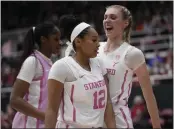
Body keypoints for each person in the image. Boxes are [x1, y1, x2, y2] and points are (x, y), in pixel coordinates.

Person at [45, 15, 116, 128]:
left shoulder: (99, 64)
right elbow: (52, 110)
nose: (98, 44)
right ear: (78, 42)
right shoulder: (62, 67)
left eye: (98, 40)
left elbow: (107, 104)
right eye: (93, 40)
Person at [98, 5, 161, 128]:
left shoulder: (132, 53)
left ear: (125, 23)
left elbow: (149, 95)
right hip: (93, 119)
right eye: (105, 17)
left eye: (113, 17)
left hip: (118, 119)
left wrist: (157, 126)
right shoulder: (96, 48)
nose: (107, 20)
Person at [10, 22, 61, 128]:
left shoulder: (50, 63)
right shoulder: (32, 61)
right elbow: (15, 100)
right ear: (43, 39)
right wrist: (44, 116)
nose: (59, 43)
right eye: (55, 39)